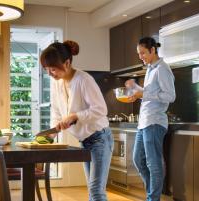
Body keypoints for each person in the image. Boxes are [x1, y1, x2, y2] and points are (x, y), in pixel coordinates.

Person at [40, 40, 114, 201]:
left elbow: (101, 109)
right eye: (47, 70)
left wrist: (75, 116)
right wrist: (50, 135)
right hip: (85, 140)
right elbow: (56, 112)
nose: (50, 74)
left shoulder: (84, 80)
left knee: (96, 191)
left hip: (100, 138)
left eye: (52, 69)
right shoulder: (56, 83)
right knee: (93, 190)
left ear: (67, 63)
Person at [125, 37, 175, 201]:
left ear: (153, 50)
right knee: (138, 159)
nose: (141, 56)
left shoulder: (162, 69)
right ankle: (152, 195)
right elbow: (149, 94)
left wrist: (143, 93)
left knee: (154, 163)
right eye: (139, 53)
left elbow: (170, 96)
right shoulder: (150, 69)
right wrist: (135, 89)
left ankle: (153, 198)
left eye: (143, 53)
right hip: (144, 122)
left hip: (154, 122)